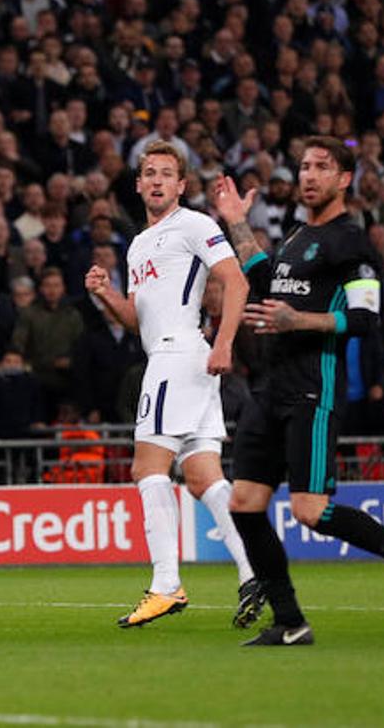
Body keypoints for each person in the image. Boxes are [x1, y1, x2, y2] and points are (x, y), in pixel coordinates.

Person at [212, 136, 384, 646]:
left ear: (345, 179)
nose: (309, 175)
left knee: (308, 509)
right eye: (303, 166)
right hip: (270, 389)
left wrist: (298, 319)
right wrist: (234, 220)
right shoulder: (297, 237)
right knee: (245, 504)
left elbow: (365, 318)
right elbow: (263, 276)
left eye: (322, 166)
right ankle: (290, 621)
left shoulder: (352, 241)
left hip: (312, 390)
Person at [84, 141, 261, 629]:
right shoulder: (139, 244)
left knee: (147, 470)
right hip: (168, 353)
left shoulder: (196, 224)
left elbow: (237, 281)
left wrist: (225, 342)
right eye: (149, 173)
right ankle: (254, 569)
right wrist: (105, 294)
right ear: (138, 184)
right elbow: (134, 319)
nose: (157, 180)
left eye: (167, 173)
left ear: (181, 185)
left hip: (179, 353)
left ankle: (166, 584)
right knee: (205, 477)